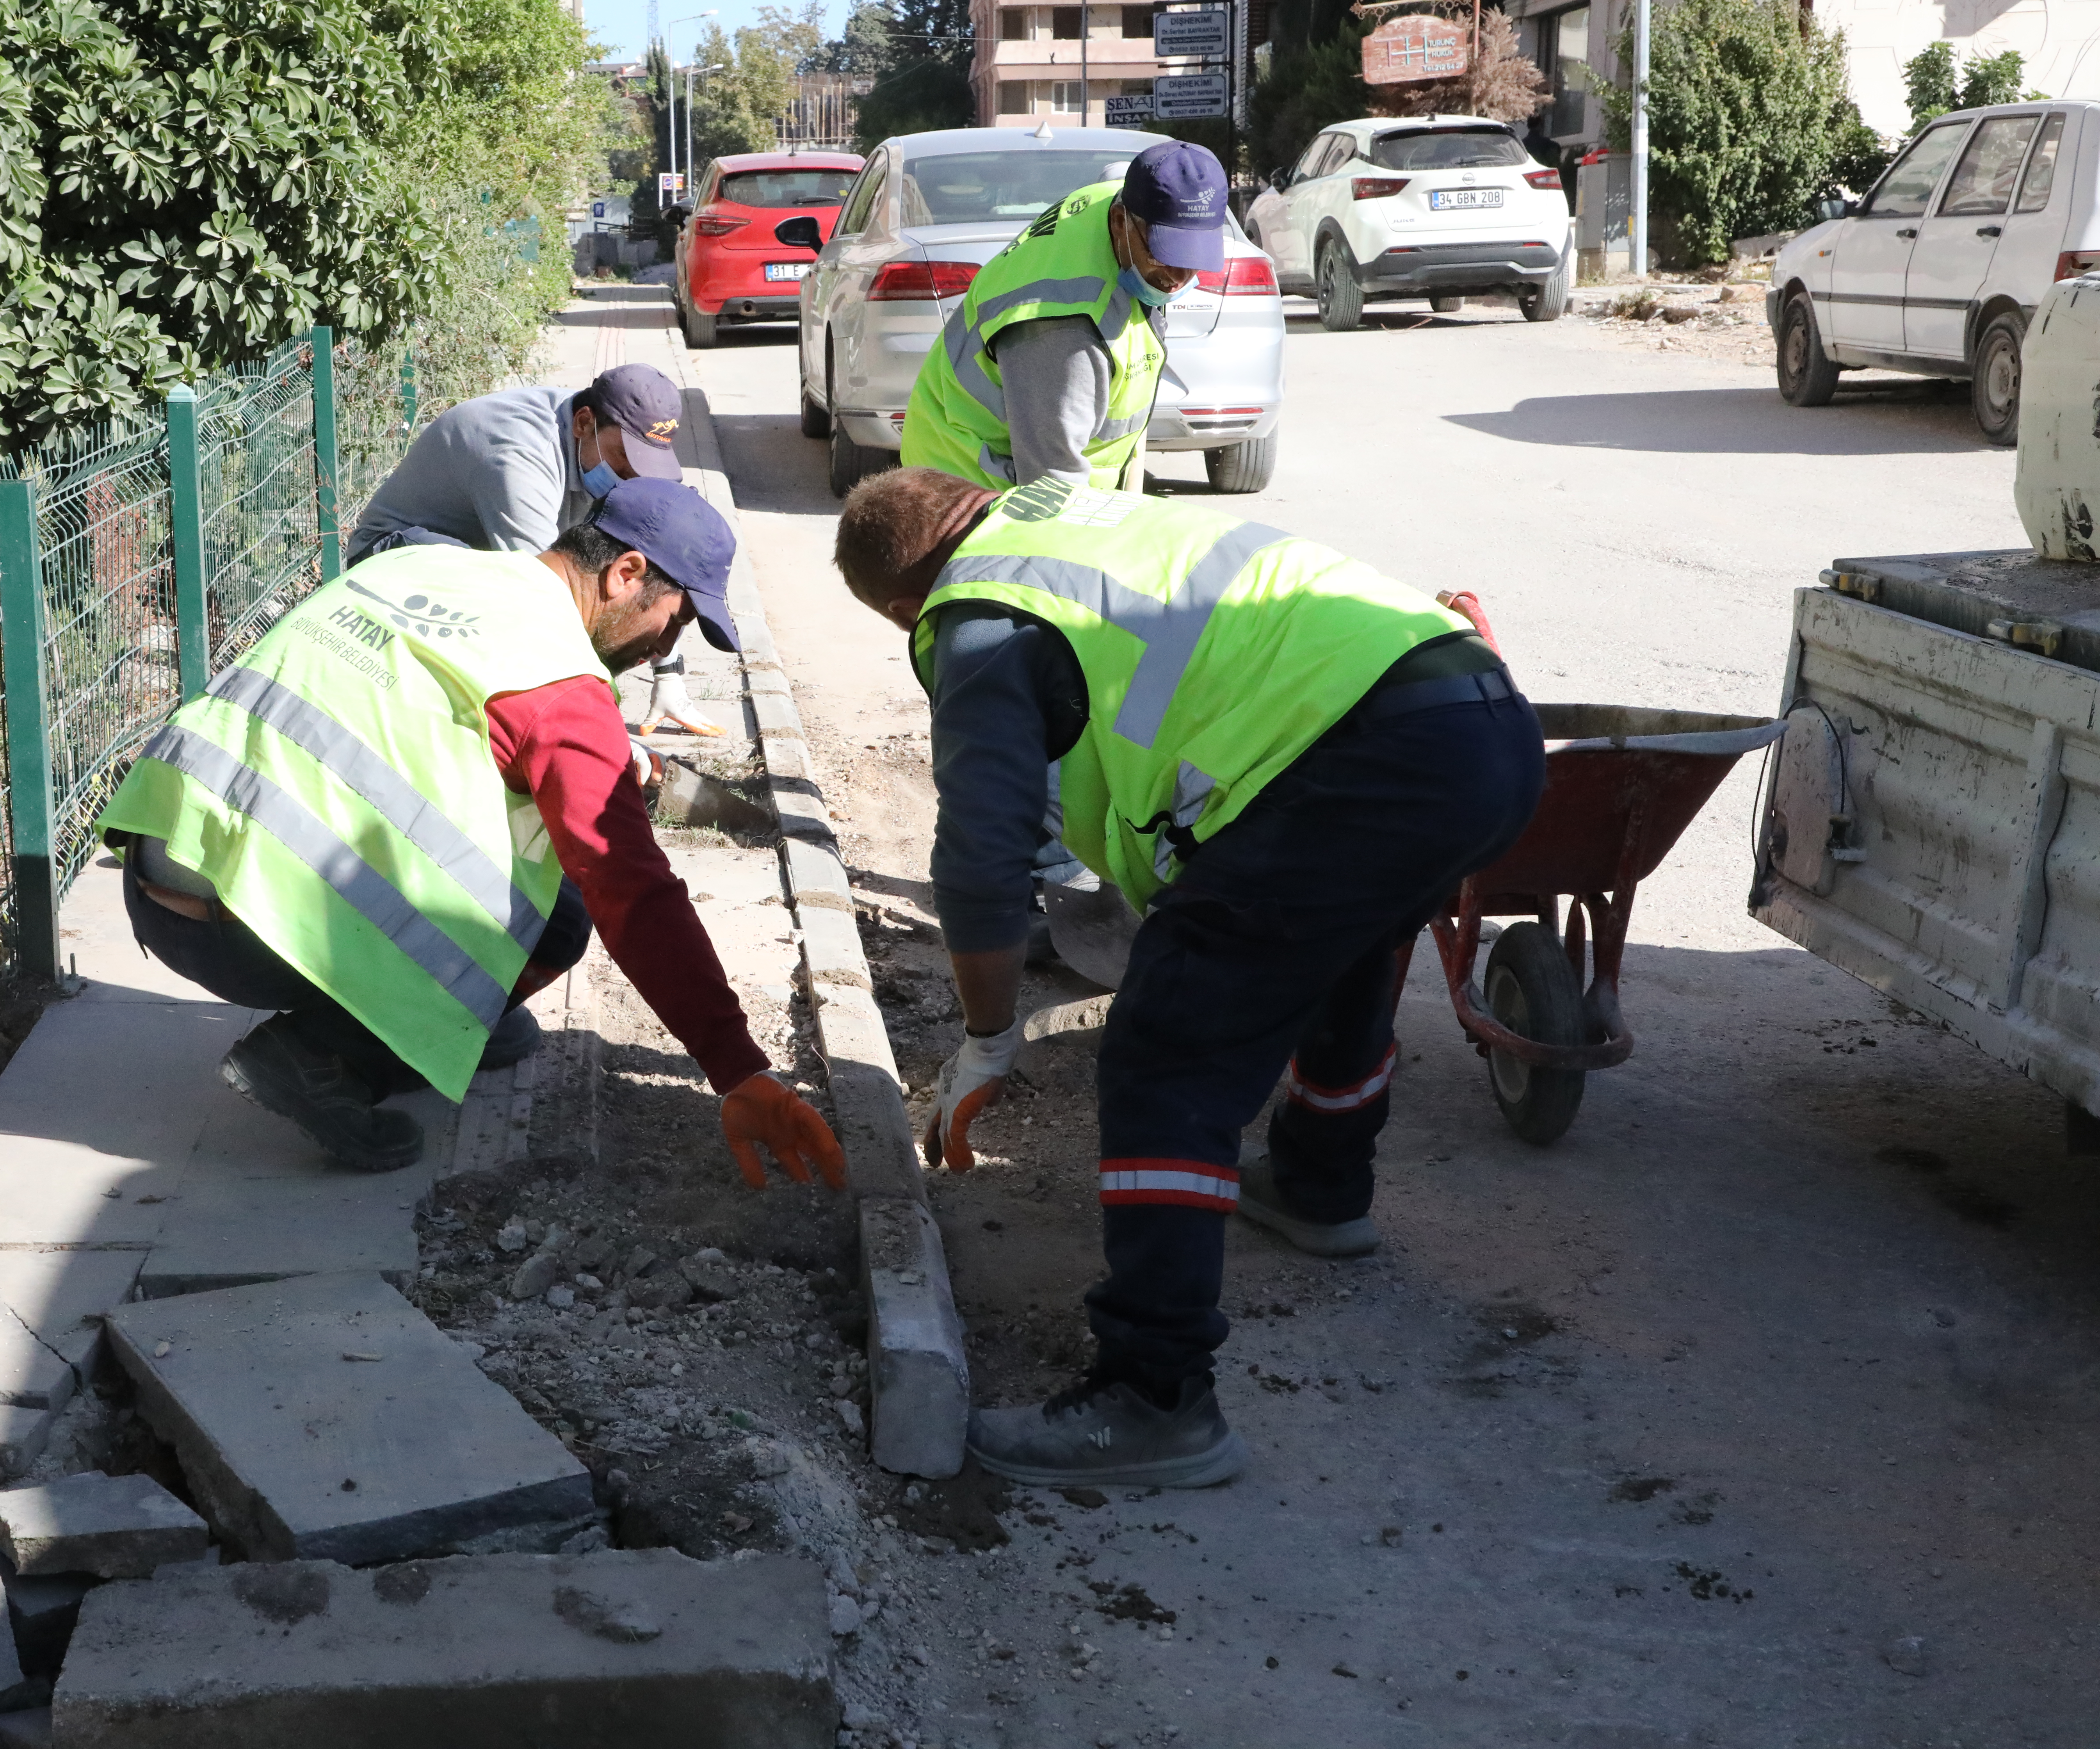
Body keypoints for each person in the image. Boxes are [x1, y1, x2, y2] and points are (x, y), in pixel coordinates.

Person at [832, 467, 1545, 1489]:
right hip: (1484, 721)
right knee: (1334, 941)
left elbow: (982, 858)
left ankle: (1154, 1397)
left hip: (1363, 758)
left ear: (907, 605)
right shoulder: (1070, 515)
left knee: (1167, 1049)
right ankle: (1320, 1186)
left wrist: (990, 1038)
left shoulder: (981, 613)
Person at [98, 478, 844, 1194]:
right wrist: (739, 1069)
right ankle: (325, 1055)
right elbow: (635, 892)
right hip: (251, 931)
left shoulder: (423, 563)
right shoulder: (559, 686)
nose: (665, 647)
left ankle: (430, 1022)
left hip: (156, 878)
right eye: (676, 621)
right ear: (625, 573)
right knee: (562, 919)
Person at [349, 362, 728, 741]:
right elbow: (546, 600)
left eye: (646, 468)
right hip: (391, 558)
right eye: (624, 461)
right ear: (584, 423)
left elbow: (652, 571)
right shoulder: (519, 455)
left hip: (481, 555)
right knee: (539, 619)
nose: (632, 479)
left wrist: (668, 672)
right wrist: (598, 740)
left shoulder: (592, 438)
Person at [901, 139, 1230, 493]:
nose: (1179, 278)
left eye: (1193, 258)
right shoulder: (1063, 326)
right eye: (1164, 255)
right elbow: (1051, 488)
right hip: (977, 496)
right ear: (1121, 223)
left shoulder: (1118, 202)